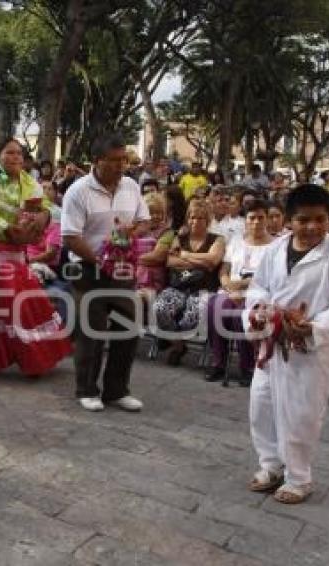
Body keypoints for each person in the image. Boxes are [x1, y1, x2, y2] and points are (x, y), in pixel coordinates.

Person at [246, 184, 329, 504]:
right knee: (262, 406)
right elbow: (258, 288)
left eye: (319, 219)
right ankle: (270, 466)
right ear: (287, 220)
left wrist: (311, 327)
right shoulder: (274, 250)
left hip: (312, 351)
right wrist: (261, 312)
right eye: (302, 220)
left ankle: (298, 477)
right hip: (273, 344)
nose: (311, 226)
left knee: (301, 414)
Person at [0, 138, 71, 376]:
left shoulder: (28, 181)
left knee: (25, 303)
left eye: (19, 153)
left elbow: (47, 206)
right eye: (10, 152)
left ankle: (37, 357)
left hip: (14, 254)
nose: (16, 157)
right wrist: (7, 228)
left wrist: (44, 216)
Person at [61, 133, 149, 412]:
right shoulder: (78, 191)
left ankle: (117, 390)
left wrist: (130, 232)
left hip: (123, 268)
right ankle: (87, 389)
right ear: (97, 161)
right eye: (113, 161)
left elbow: (144, 222)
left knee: (129, 328)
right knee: (91, 332)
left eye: (123, 160)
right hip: (88, 268)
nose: (120, 166)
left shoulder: (132, 187)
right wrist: (100, 259)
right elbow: (71, 237)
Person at [205, 200, 274, 386]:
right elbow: (224, 269)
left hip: (257, 294)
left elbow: (268, 278)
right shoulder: (236, 241)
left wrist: (241, 286)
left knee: (243, 315)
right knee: (214, 306)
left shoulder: (274, 247)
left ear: (267, 220)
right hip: (231, 290)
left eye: (261, 218)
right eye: (252, 218)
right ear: (246, 220)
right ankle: (218, 362)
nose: (256, 222)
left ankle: (248, 367)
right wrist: (227, 284)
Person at [153, 199, 225, 365]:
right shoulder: (180, 237)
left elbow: (213, 260)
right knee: (159, 309)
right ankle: (178, 346)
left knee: (190, 319)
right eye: (192, 217)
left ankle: (171, 341)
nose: (195, 221)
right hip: (178, 286)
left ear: (207, 220)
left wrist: (184, 255)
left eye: (200, 218)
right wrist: (201, 262)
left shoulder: (217, 240)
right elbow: (171, 262)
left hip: (204, 288)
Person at [135, 193, 175, 298]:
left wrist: (130, 258)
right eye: (151, 212)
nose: (155, 216)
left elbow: (157, 257)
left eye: (159, 213)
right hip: (131, 278)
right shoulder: (136, 230)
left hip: (152, 282)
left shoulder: (167, 232)